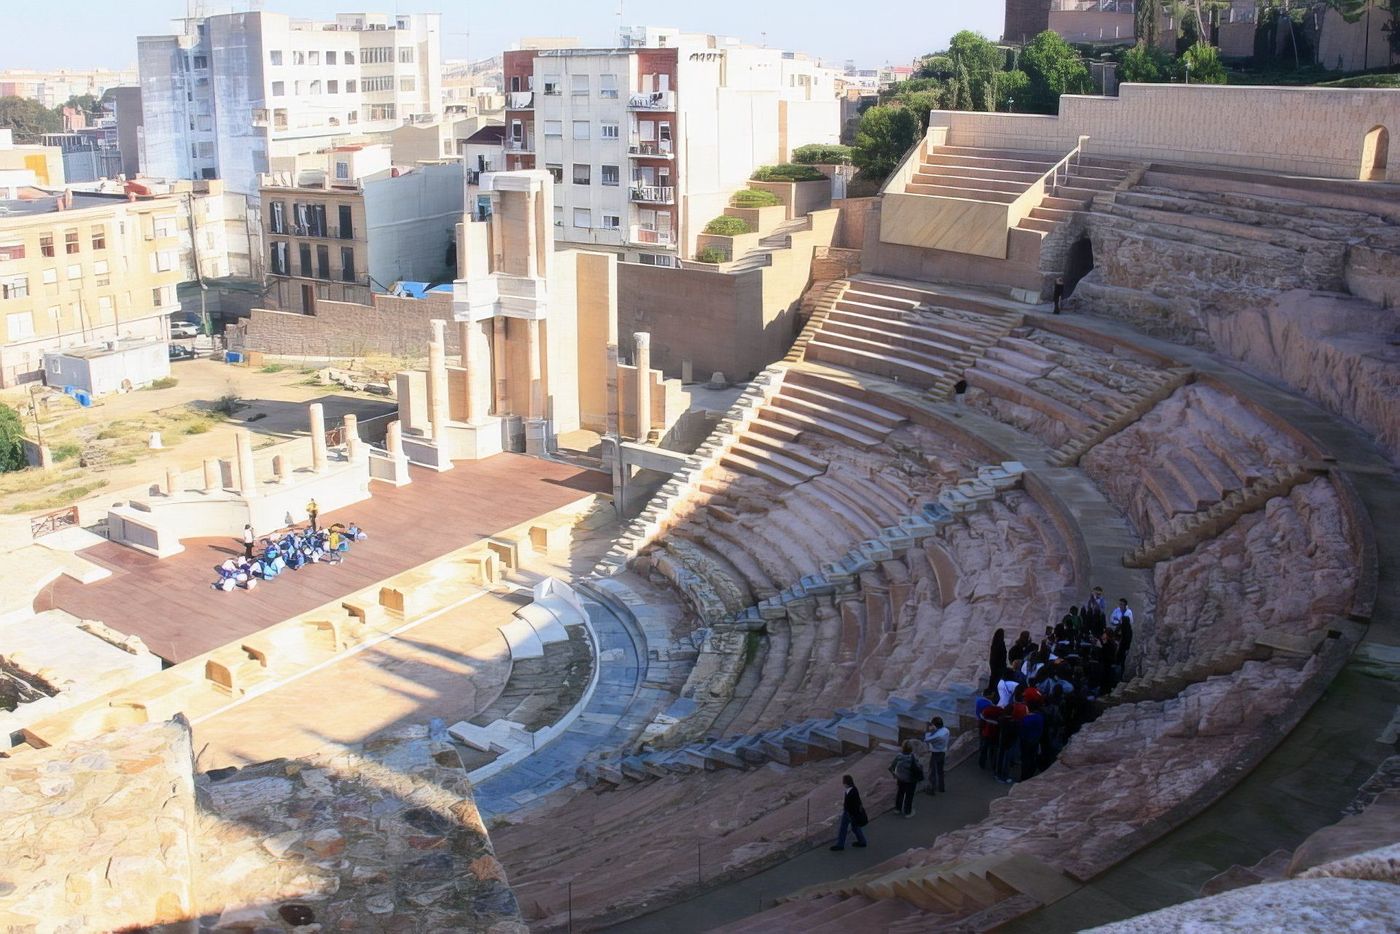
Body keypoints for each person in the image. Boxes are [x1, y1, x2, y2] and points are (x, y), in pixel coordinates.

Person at [830, 774, 869, 851]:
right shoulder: (853, 789)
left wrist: (849, 813)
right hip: (852, 814)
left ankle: (840, 845)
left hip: (849, 813)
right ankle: (862, 842)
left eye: (843, 782)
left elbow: (852, 805)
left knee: (843, 828)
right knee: (855, 828)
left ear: (846, 783)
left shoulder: (850, 792)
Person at [888, 740, 922, 818]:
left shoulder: (899, 756)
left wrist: (895, 775)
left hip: (901, 779)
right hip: (911, 780)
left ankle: (897, 809)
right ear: (911, 749)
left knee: (900, 793)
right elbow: (918, 767)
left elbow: (890, 767)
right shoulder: (913, 757)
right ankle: (907, 812)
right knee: (909, 796)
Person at [923, 717, 950, 796]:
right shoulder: (946, 730)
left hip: (936, 753)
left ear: (935, 725)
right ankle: (941, 787)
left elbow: (926, 740)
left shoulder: (937, 735)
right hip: (943, 752)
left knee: (932, 772)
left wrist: (928, 730)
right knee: (940, 771)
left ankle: (932, 789)